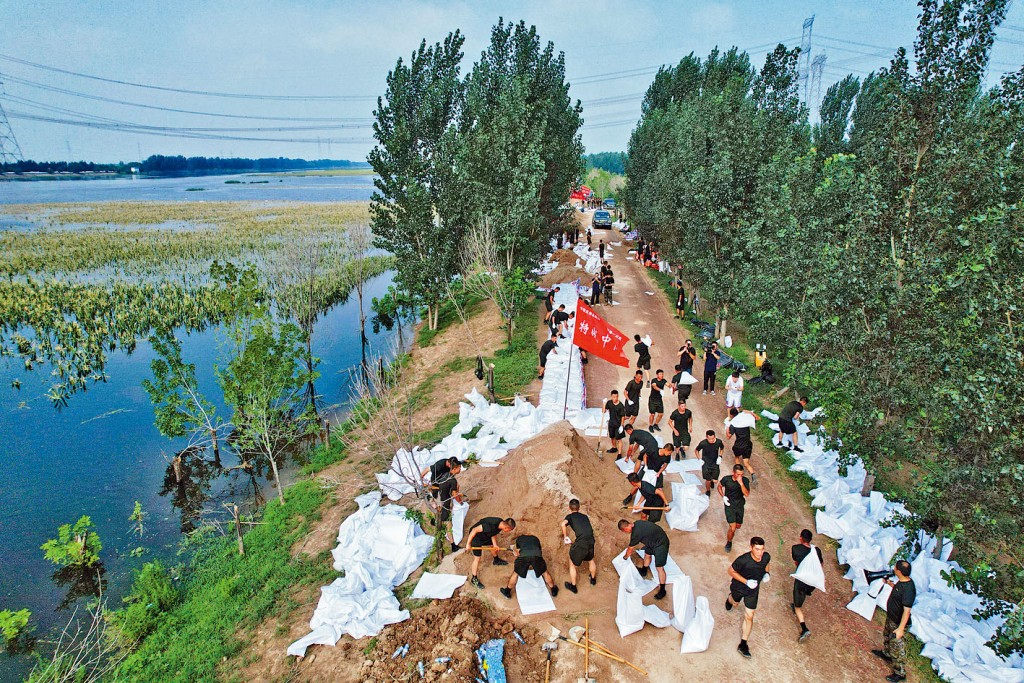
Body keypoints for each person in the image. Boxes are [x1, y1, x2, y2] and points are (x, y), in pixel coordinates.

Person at [725, 536, 772, 658]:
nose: (760, 552)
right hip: (739, 588)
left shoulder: (766, 556)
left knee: (749, 616)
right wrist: (746, 582)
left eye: (762, 549)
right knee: (734, 603)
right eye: (757, 549)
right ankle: (730, 599)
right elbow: (730, 571)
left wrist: (767, 573)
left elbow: (766, 563)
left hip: (753, 591)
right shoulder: (743, 560)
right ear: (751, 547)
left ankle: (743, 644)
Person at [872, 560, 916, 682]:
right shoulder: (902, 582)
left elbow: (907, 611)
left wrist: (901, 629)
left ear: (899, 572)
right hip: (892, 618)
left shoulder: (909, 590)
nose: (894, 569)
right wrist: (890, 584)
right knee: (887, 636)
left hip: (898, 622)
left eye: (896, 568)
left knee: (897, 646)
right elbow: (898, 592)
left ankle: (900, 673)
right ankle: (887, 654)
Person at [420, 456, 464, 553]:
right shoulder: (452, 480)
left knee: (445, 520)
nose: (460, 470)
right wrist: (460, 501)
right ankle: (453, 545)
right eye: (459, 468)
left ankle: (436, 521)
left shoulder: (445, 475)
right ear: (455, 468)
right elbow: (454, 494)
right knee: (448, 524)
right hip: (445, 503)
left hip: (440, 497)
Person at [618, 518, 670, 600]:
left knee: (659, 568)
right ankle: (644, 570)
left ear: (626, 528)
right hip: (652, 541)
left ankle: (662, 590)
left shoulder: (636, 533)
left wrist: (624, 558)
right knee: (647, 554)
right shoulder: (637, 523)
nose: (626, 532)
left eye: (625, 531)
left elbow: (630, 549)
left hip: (661, 543)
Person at [499, 533, 558, 599]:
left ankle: (507, 592)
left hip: (523, 556)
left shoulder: (519, 539)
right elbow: (540, 551)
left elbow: (518, 553)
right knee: (545, 572)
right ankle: (553, 590)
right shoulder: (536, 538)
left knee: (515, 573)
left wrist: (519, 563)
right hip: (537, 556)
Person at [791, 529, 824, 642]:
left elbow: (796, 562)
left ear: (801, 538)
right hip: (813, 582)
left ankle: (804, 628)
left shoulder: (796, 549)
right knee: (804, 593)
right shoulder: (817, 550)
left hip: (802, 580)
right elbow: (821, 565)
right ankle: (799, 601)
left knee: (797, 606)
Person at [464, 517, 516, 588]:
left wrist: (495, 545)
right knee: (477, 558)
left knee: (492, 546)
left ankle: (496, 560)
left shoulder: (500, 524)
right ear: (506, 527)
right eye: (510, 530)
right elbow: (474, 530)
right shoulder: (490, 526)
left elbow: (493, 533)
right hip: (476, 537)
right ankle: (474, 579)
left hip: (484, 535)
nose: (510, 531)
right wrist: (468, 544)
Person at [561, 499, 596, 593]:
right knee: (591, 560)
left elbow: (563, 524)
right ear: (579, 507)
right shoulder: (585, 516)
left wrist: (565, 537)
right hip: (591, 541)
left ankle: (573, 586)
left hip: (581, 543)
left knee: (572, 563)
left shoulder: (570, 516)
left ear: (569, 508)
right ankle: (593, 580)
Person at [718, 464, 751, 552]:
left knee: (738, 526)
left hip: (740, 505)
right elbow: (719, 486)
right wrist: (723, 496)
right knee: (732, 527)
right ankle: (729, 542)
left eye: (741, 474)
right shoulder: (727, 479)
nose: (740, 476)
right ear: (733, 472)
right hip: (729, 505)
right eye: (738, 474)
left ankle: (733, 531)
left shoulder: (745, 481)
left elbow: (747, 494)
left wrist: (741, 484)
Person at [727, 408, 761, 483]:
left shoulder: (733, 424)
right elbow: (758, 418)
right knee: (746, 463)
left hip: (738, 445)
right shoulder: (745, 420)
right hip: (748, 445)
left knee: (737, 458)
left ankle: (739, 474)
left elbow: (728, 436)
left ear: (731, 415)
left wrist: (727, 427)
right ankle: (752, 474)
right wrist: (750, 412)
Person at [696, 430, 725, 497]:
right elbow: (696, 450)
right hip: (706, 464)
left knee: (715, 481)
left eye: (713, 438)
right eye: (709, 439)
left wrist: (720, 456)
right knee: (708, 480)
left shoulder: (719, 442)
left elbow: (722, 448)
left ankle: (712, 480)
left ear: (715, 437)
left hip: (715, 463)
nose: (711, 440)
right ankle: (708, 490)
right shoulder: (703, 443)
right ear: (706, 437)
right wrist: (699, 459)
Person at [602, 390, 626, 455]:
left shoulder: (621, 406)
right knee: (612, 437)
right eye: (614, 397)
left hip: (618, 425)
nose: (615, 398)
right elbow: (603, 411)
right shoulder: (609, 403)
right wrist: (604, 403)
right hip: (611, 424)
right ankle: (614, 447)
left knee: (619, 439)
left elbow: (623, 416)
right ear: (611, 397)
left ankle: (619, 454)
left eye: (616, 397)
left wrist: (622, 425)